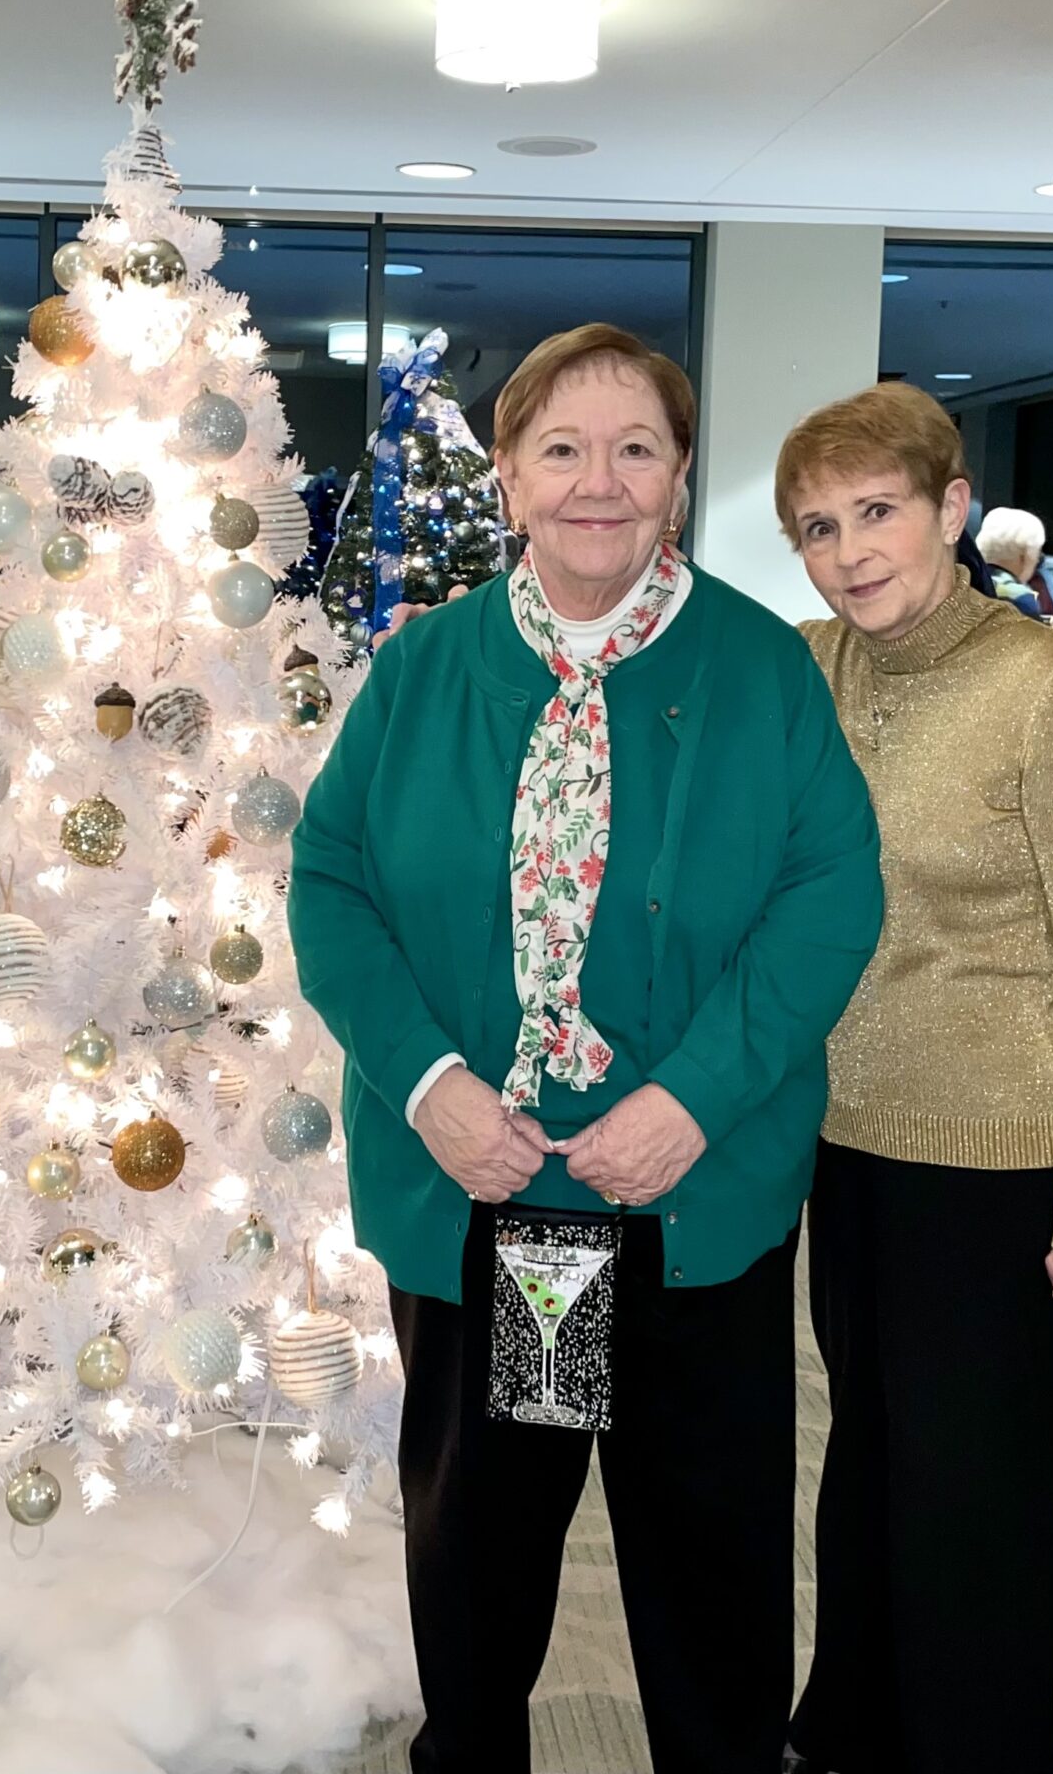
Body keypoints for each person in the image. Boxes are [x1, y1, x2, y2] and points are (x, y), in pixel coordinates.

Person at [290, 324, 884, 1774]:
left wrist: (692, 1101)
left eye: (635, 450)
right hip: (509, 1198)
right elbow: (333, 884)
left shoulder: (758, 668)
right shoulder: (427, 669)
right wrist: (429, 1088)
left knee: (706, 1554)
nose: (597, 484)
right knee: (488, 1545)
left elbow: (831, 894)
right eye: (561, 449)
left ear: (679, 478)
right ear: (508, 477)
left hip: (686, 1198)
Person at [775, 384, 1053, 1774]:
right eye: (819, 526)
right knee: (862, 1472)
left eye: (879, 513)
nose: (853, 550)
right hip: (844, 1151)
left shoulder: (1046, 692)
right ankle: (853, 1735)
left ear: (950, 507)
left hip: (994, 1163)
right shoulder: (815, 668)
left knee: (972, 1508)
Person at [977, 504, 1053, 634]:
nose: (1038, 560)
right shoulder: (1020, 597)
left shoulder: (967, 582)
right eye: (1037, 554)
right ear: (1024, 556)